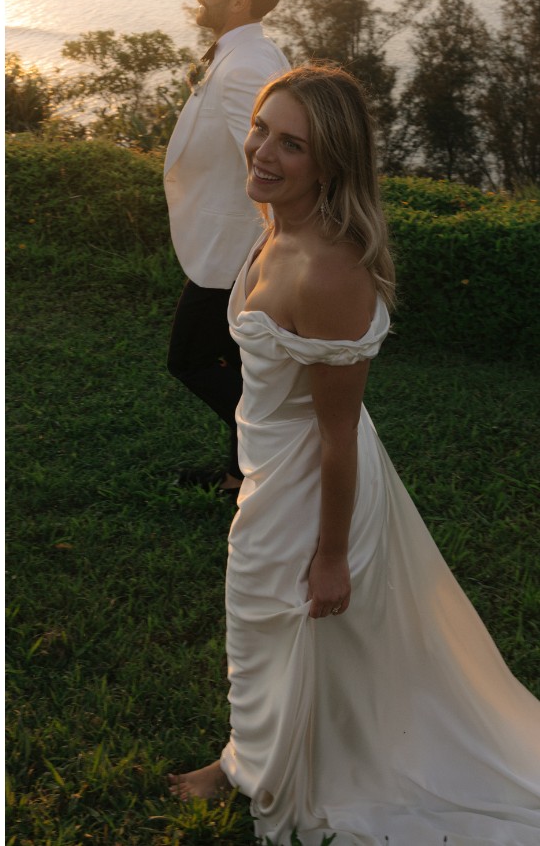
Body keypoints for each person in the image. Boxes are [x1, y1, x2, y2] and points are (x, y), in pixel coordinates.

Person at [170, 63, 540, 845]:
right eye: (262, 128)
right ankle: (245, 761)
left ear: (331, 164)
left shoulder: (331, 269)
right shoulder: (280, 228)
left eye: (291, 145)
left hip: (311, 483)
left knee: (288, 622)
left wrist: (332, 554)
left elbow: (337, 432)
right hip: (272, 470)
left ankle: (272, 774)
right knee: (260, 627)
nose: (262, 152)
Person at [164, 0, 289, 492]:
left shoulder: (245, 69)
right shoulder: (248, 52)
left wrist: (274, 251)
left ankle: (276, 451)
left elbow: (276, 165)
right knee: (235, 364)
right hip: (233, 244)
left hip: (237, 250)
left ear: (239, 0)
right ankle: (240, 473)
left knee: (189, 359)